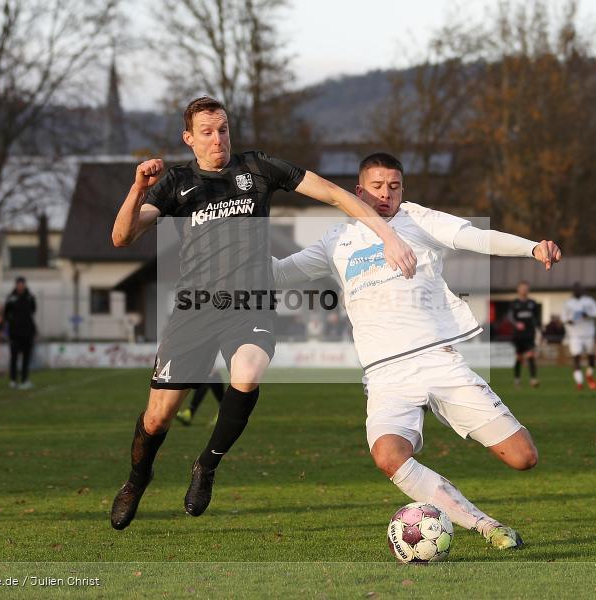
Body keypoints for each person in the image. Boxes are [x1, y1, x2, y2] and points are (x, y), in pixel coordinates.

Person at [108, 97, 417, 530]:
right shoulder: (176, 182)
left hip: (249, 303)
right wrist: (138, 187)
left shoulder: (257, 167)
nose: (218, 139)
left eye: (223, 129)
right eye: (207, 132)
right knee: (158, 417)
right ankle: (137, 479)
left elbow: (333, 194)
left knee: (248, 372)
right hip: (194, 309)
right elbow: (122, 237)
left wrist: (387, 235)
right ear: (189, 138)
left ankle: (206, 465)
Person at [273, 152, 561, 550]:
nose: (386, 194)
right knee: (388, 455)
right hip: (386, 376)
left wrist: (532, 248)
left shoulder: (418, 220)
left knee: (523, 457)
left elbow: (476, 237)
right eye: (377, 186)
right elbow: (280, 273)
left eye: (394, 186)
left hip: (438, 361)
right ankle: (486, 526)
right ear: (358, 191)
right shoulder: (336, 240)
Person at [563, 282, 596, 390]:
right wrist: (569, 321)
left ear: (582, 290)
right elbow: (564, 317)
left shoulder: (589, 301)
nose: (577, 291)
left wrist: (588, 315)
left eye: (579, 289)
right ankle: (579, 382)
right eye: (575, 289)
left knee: (591, 357)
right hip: (575, 335)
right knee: (576, 357)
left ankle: (589, 374)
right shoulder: (568, 303)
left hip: (588, 334)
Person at [4, 277, 37, 389]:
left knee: (26, 358)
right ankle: (13, 380)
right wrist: (12, 324)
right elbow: (6, 314)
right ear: (16, 285)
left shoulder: (30, 297)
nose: (20, 286)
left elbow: (33, 311)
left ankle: (24, 380)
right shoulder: (11, 298)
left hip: (27, 332)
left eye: (22, 284)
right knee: (14, 357)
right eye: (19, 284)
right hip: (15, 333)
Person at [508, 281, 540, 388]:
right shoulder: (514, 303)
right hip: (518, 335)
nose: (524, 290)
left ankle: (533, 379)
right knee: (519, 357)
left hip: (529, 334)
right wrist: (516, 324)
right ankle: (517, 379)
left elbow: (536, 318)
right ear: (518, 290)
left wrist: (539, 329)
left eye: (526, 288)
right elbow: (510, 317)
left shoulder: (532, 303)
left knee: (531, 355)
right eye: (522, 288)